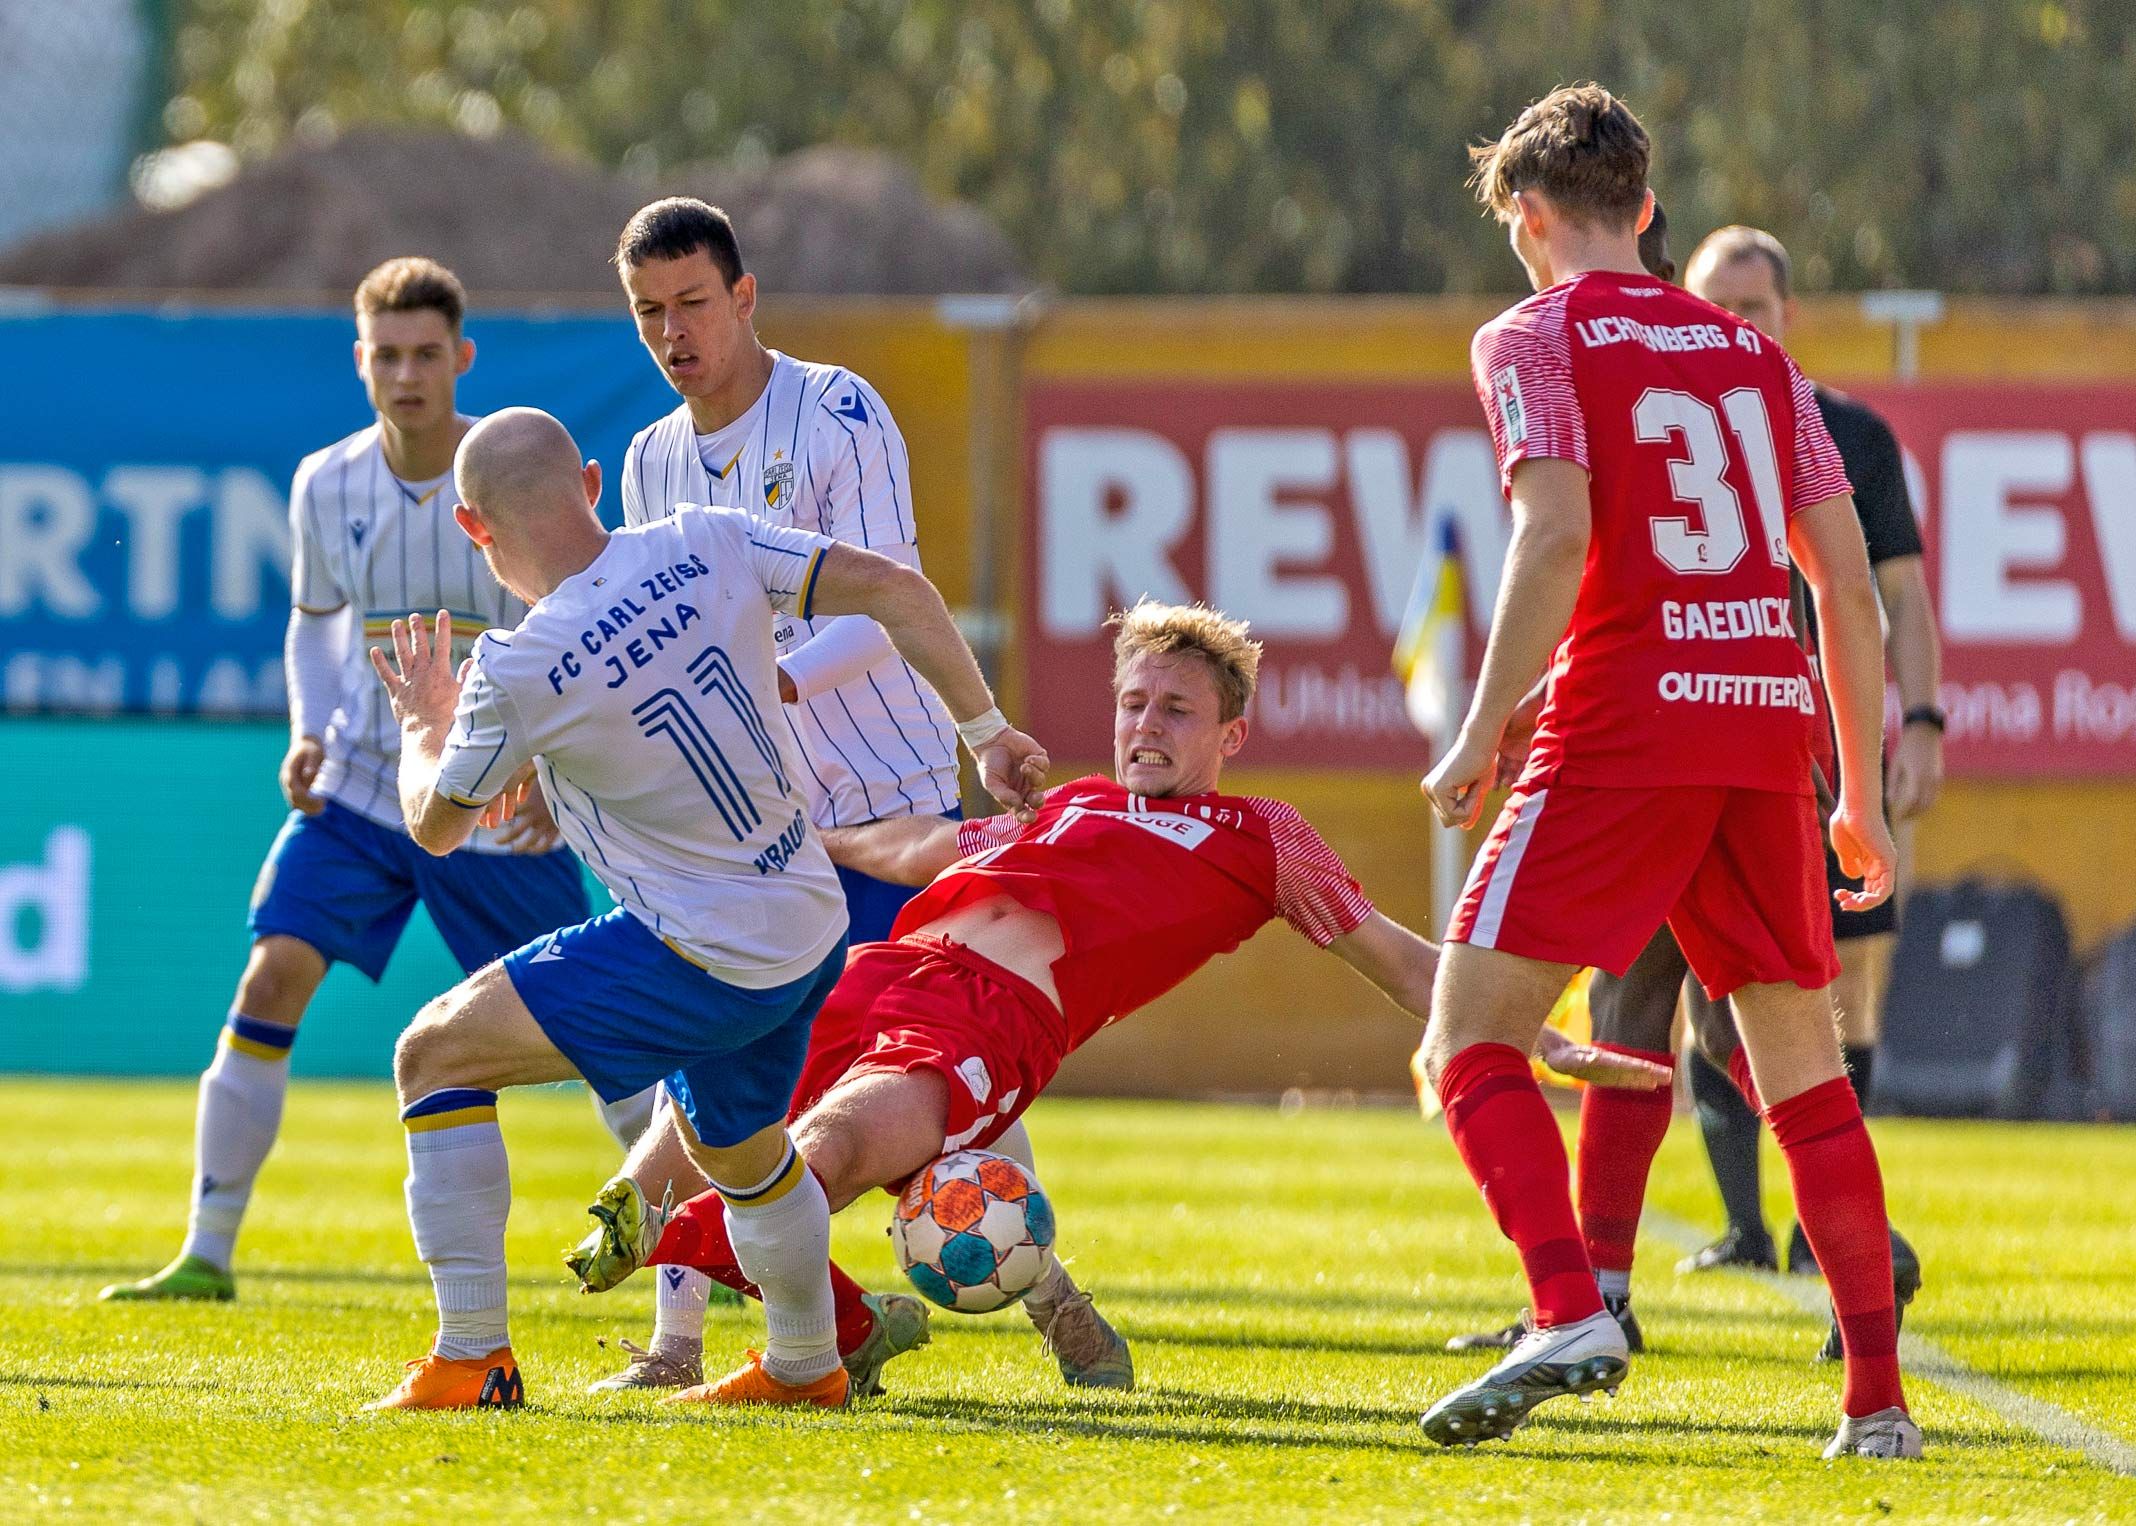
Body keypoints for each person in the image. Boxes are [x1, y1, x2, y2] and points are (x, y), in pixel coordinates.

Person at [562, 600, 1670, 1401]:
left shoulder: (1261, 838)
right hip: (875, 975)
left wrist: (1536, 1036)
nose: (1146, 724)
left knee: (821, 1157)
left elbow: (1399, 957)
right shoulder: (1078, 801)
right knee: (701, 1127)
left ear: (1230, 735)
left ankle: (823, 1337)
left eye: (1177, 709)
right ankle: (836, 1314)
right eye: (1134, 700)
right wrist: (801, 839)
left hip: (989, 1028)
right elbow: (929, 844)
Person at [357, 407, 1047, 1411]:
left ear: (474, 528)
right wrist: (984, 731)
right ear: (592, 482)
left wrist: (426, 724)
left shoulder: (517, 665)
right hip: (810, 924)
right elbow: (895, 587)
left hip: (703, 955)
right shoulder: (708, 536)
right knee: (743, 1150)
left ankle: (473, 1354)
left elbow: (433, 825)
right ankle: (806, 1362)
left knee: (433, 1056)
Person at [1415, 85, 1918, 1460]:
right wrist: (1859, 794)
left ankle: (1568, 1304)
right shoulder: (1758, 363)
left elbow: (1555, 534)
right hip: (1764, 733)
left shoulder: (1531, 333)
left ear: (1528, 218)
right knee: (1807, 1080)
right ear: (1644, 208)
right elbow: (1851, 597)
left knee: (1467, 1041)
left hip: (1625, 727)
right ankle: (1876, 1403)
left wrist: (1479, 723)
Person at [586, 196, 1122, 1392]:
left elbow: (891, 597)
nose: (675, 334)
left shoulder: (835, 410)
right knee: (709, 1060)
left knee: (935, 1064)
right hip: (748, 822)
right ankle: (679, 1345)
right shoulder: (649, 460)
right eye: (648, 314)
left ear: (745, 296)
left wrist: (771, 672)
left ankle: (1056, 1299)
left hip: (888, 798)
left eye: (693, 304)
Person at [99, 259, 589, 1306]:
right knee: (272, 973)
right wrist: (310, 729)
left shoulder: (504, 474)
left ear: (462, 359)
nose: (406, 374)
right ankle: (206, 1249)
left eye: (426, 354)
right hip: (366, 785)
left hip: (490, 796)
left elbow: (565, 621)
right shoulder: (328, 480)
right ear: (359, 360)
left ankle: (702, 1243)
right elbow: (315, 619)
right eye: (387, 353)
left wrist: (551, 766)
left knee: (599, 1019)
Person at [1678, 225, 1943, 1276]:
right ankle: (1751, 1225)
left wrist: (1917, 725)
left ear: (1789, 316)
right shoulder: (1667, 428)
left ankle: (1823, 1224)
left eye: (1753, 306)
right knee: (1709, 1002)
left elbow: (1900, 598)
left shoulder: (1851, 435)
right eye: (1715, 304)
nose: (1734, 323)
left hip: (1830, 750)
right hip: (1702, 741)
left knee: (1850, 989)